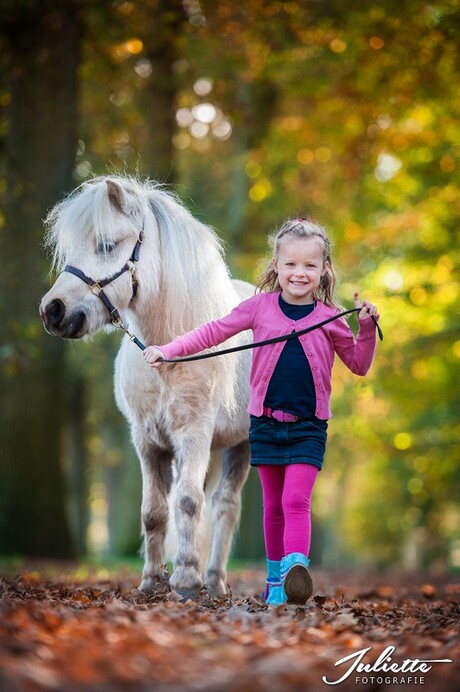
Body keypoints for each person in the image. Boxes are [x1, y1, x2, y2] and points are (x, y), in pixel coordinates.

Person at [143, 217, 379, 606]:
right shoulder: (258, 308)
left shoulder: (330, 318)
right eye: (290, 264)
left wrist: (366, 327)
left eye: (309, 265)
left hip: (308, 427)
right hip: (266, 425)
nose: (299, 273)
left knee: (295, 501)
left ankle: (294, 571)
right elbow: (212, 332)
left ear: (324, 270)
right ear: (276, 265)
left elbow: (359, 363)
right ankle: (275, 582)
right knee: (272, 505)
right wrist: (169, 350)